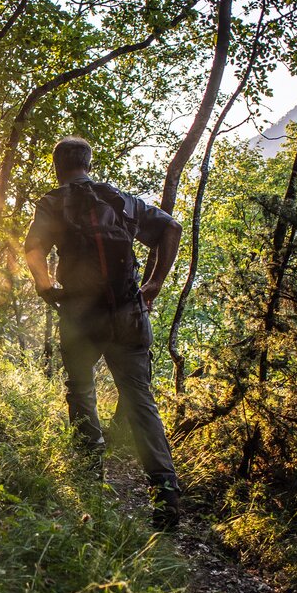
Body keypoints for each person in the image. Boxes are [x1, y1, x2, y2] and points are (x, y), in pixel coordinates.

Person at [23, 136, 184, 529]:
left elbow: (33, 248)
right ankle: (165, 496)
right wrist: (154, 284)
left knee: (81, 391)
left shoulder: (52, 203)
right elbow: (172, 228)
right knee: (139, 399)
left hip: (80, 316)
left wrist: (45, 286)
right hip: (128, 313)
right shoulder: (122, 200)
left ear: (59, 166)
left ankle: (90, 483)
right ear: (88, 163)